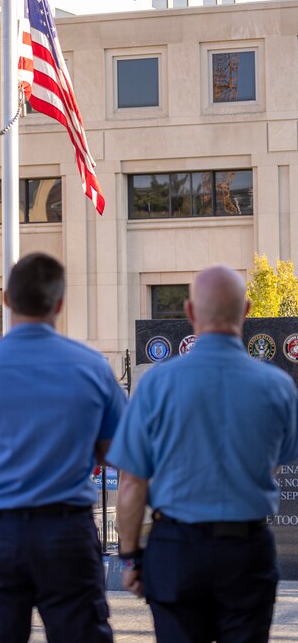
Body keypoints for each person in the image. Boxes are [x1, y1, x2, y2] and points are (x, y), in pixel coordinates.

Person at [0, 252, 126, 643]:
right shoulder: (92, 367)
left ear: (5, 299)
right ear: (59, 303)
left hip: (1, 531)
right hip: (68, 528)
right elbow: (118, 452)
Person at [108, 265, 298, 643]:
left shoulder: (157, 384)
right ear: (245, 310)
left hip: (177, 550)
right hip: (247, 550)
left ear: (190, 311)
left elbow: (131, 485)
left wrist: (129, 558)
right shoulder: (278, 386)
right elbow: (274, 465)